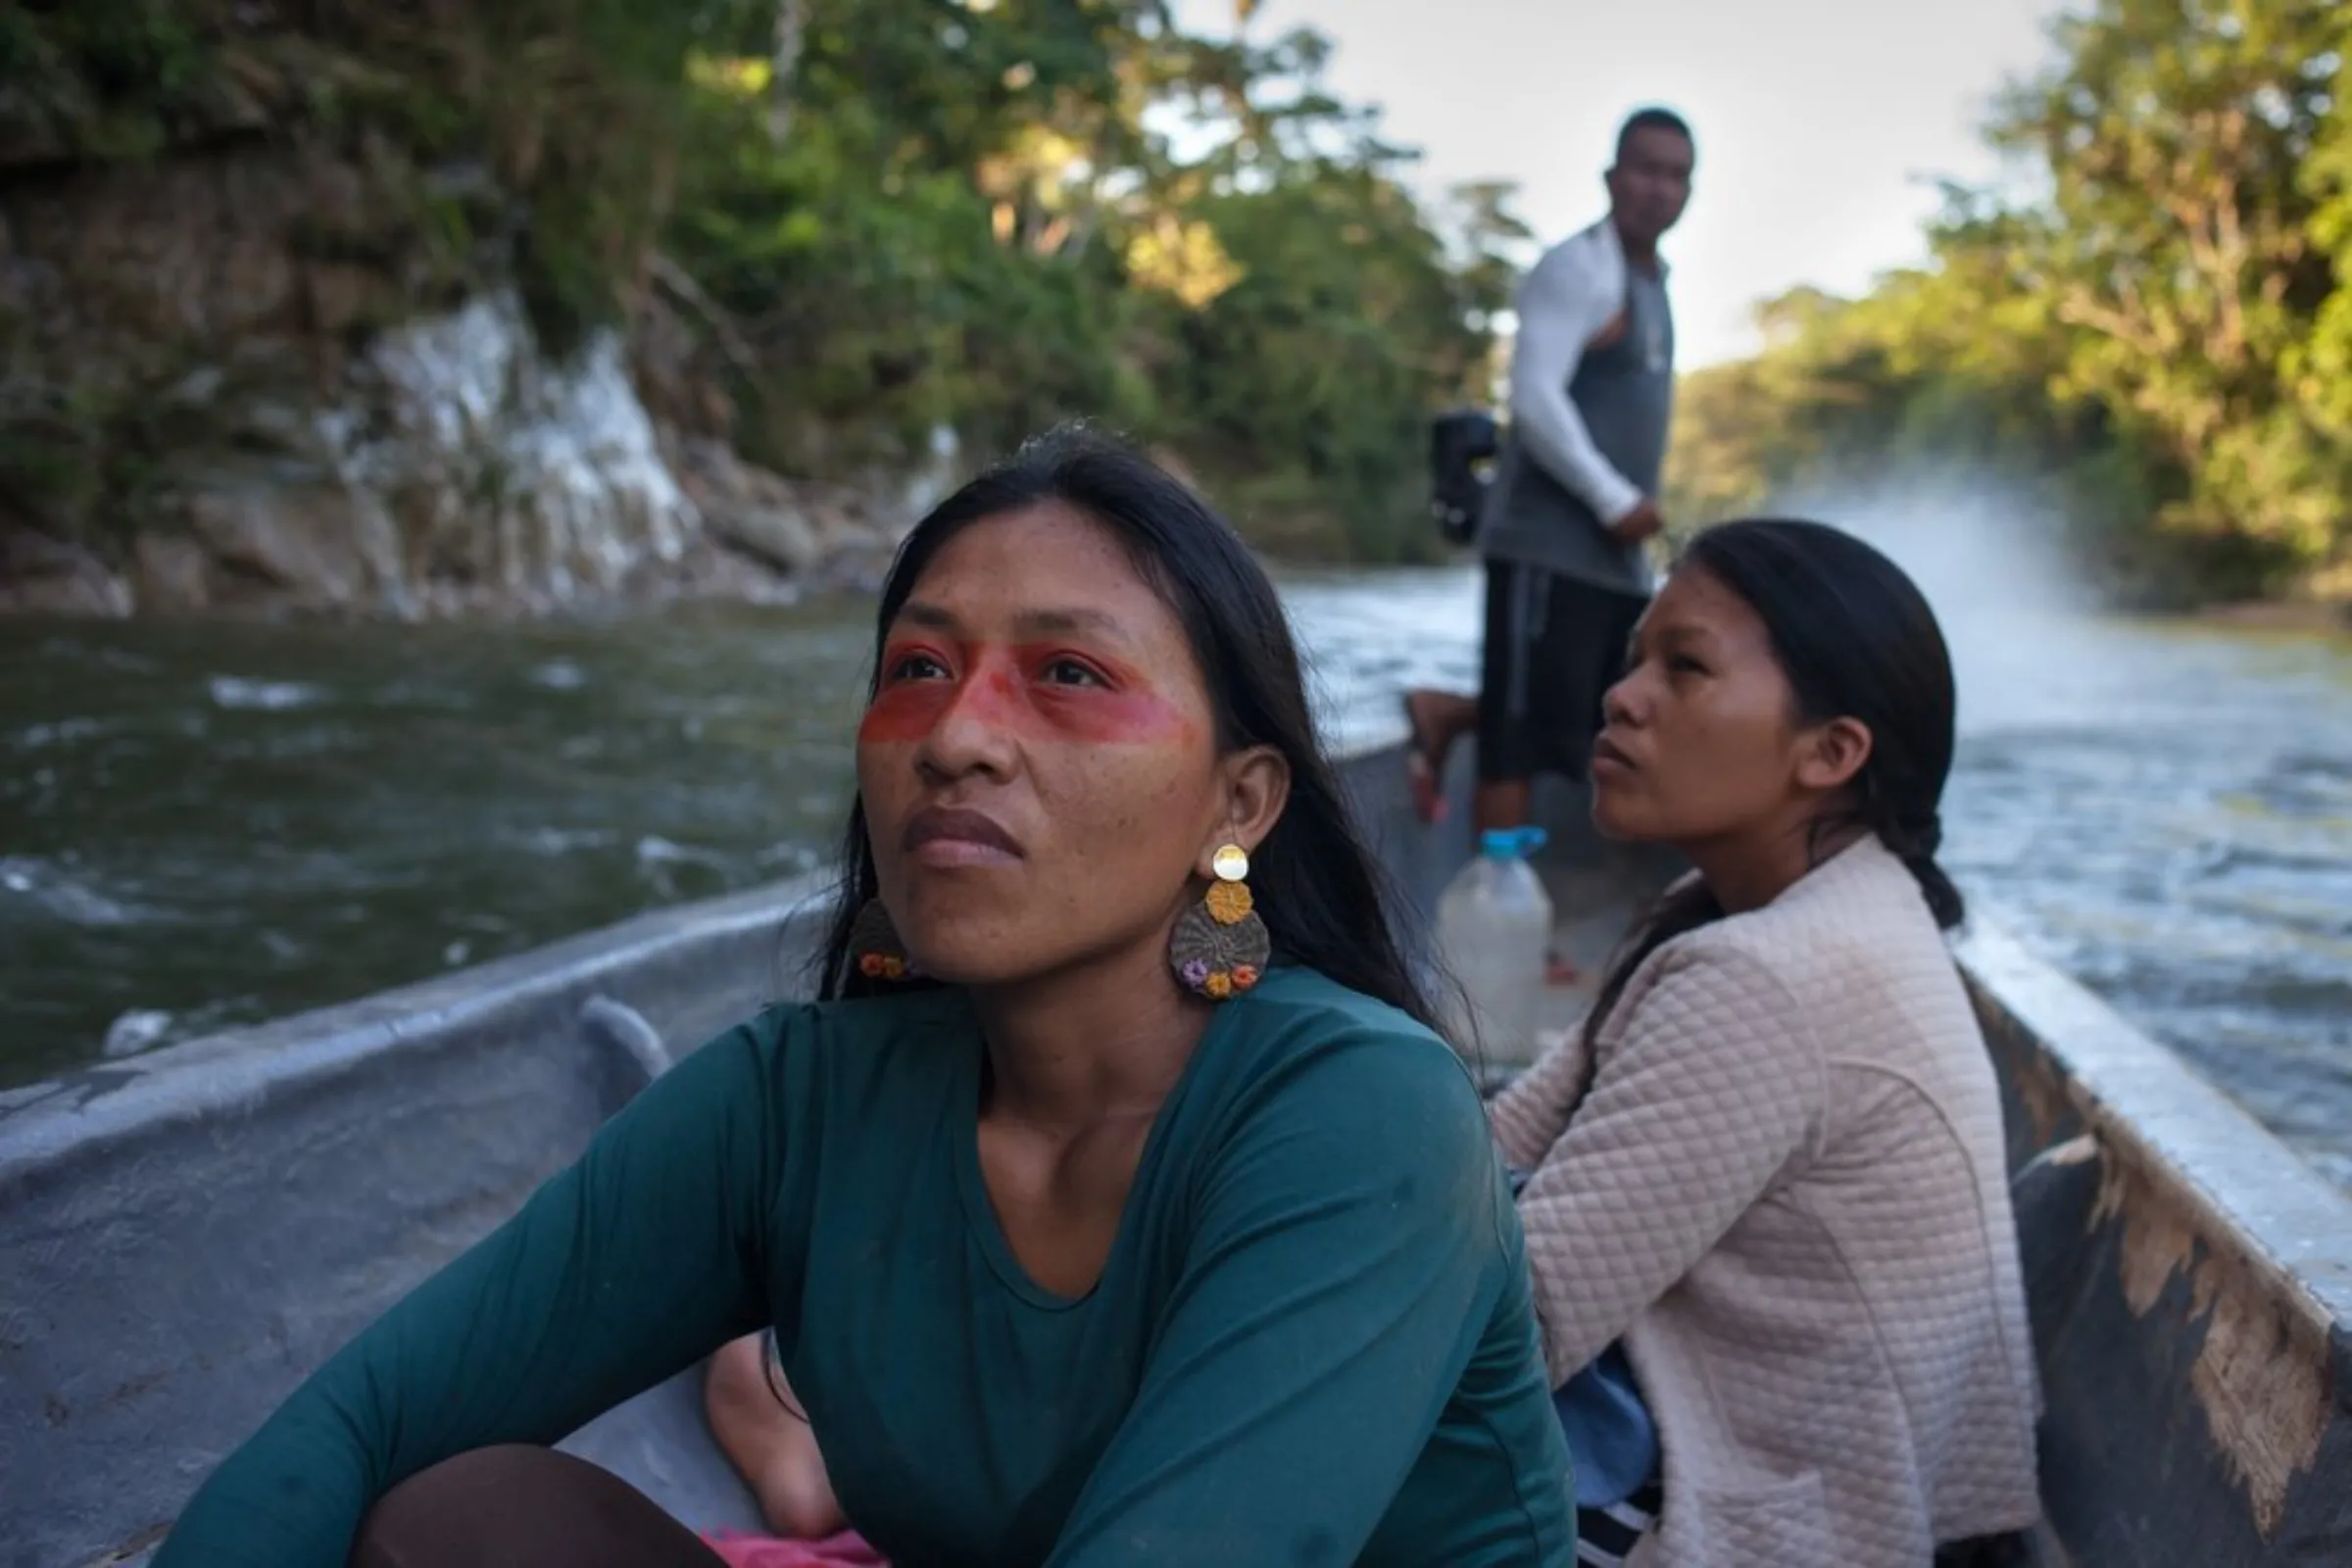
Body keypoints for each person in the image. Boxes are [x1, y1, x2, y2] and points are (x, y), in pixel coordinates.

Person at [150, 429, 1578, 1568]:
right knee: (465, 1521)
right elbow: (364, 1421)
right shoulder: (800, 1100)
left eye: (1068, 675)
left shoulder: (1356, 1114)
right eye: (918, 669)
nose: (957, 737)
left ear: (1240, 801)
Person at [1490, 518, 2043, 1566]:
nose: (1623, 696)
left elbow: (1511, 1330)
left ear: (1831, 751)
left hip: (1797, 1526)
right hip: (1831, 1483)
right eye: (1633, 660)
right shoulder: (1751, 908)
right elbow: (1513, 1136)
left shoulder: (1773, 977)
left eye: (1684, 667)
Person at [1402, 107, 1695, 870]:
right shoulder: (1579, 269)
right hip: (1548, 544)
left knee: (1607, 709)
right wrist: (1612, 499)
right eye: (1646, 169)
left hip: (1614, 558)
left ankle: (1449, 711)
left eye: (1676, 174)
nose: (1659, 189)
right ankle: (1501, 925)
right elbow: (1532, 398)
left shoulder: (1655, 282)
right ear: (1611, 177)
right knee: (1517, 739)